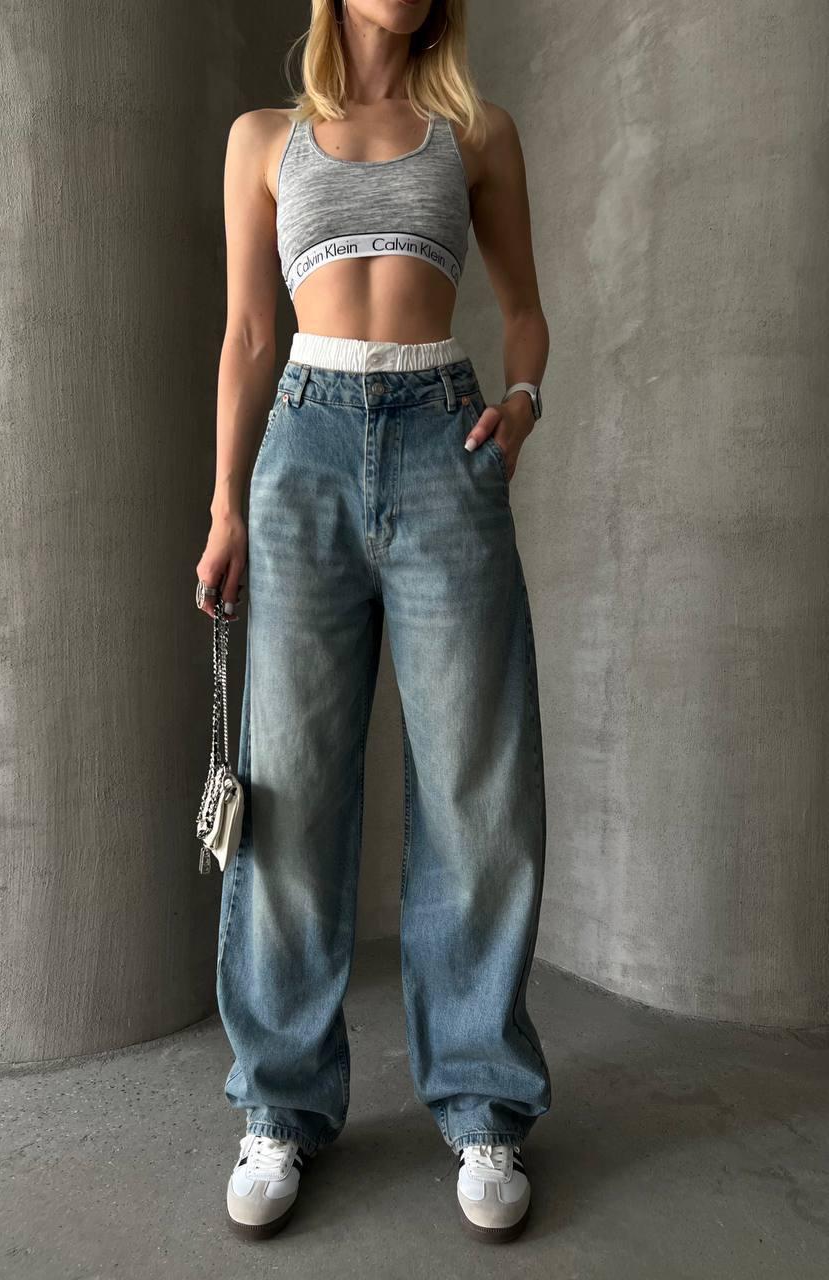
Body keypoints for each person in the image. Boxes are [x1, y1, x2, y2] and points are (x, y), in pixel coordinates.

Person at [195, 0, 551, 1245]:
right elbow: (250, 333)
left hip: (443, 439)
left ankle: (483, 1104)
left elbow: (523, 311)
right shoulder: (263, 138)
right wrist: (224, 505)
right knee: (289, 786)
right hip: (300, 447)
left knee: (475, 785)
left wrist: (519, 403)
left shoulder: (477, 133)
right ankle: (279, 1105)